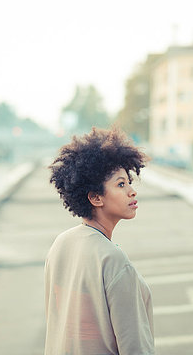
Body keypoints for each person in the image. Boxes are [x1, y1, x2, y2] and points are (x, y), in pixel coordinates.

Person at [45, 126, 155, 355]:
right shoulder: (112, 260)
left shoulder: (61, 244)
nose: (132, 191)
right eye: (121, 184)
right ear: (95, 197)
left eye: (129, 182)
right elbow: (135, 347)